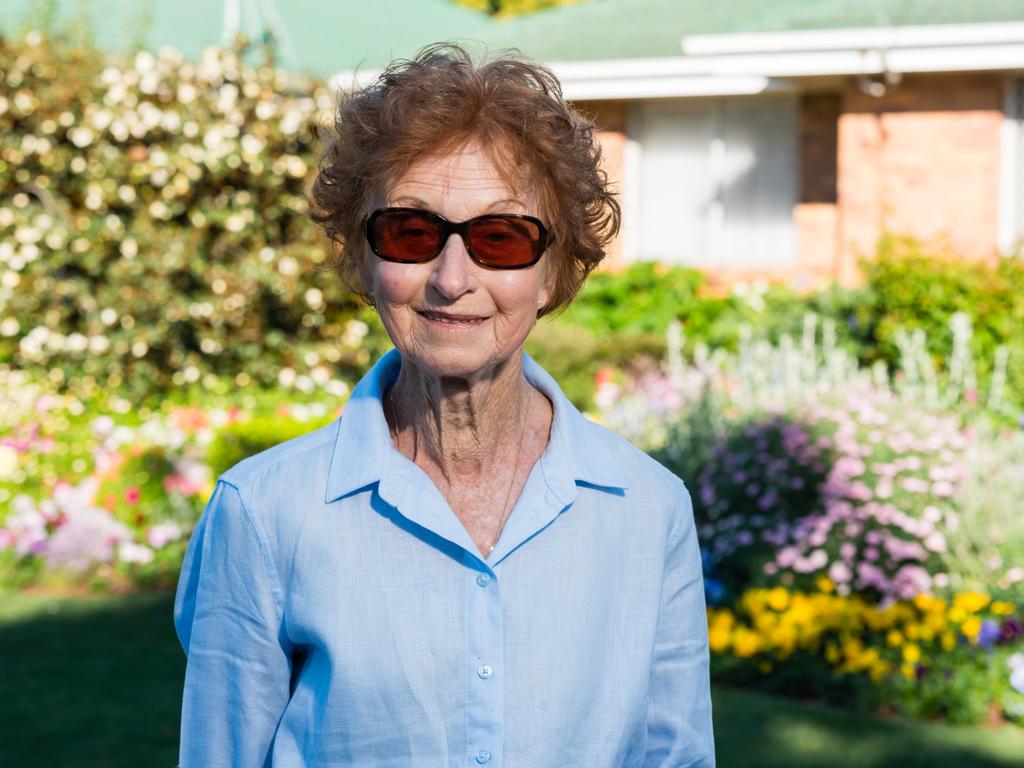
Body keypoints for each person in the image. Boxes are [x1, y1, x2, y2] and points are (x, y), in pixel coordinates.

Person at [174, 44, 715, 767]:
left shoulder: (648, 508)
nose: (451, 279)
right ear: (362, 262)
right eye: (412, 233)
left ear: (554, 273)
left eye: (501, 237)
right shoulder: (264, 513)